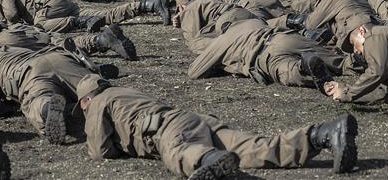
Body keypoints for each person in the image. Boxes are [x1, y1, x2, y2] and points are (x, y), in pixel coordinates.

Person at [75, 75, 359, 177]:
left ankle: (210, 160)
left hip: (170, 130)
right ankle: (322, 135)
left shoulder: (100, 101)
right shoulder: (124, 92)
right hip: (191, 120)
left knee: (177, 154)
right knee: (251, 148)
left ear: (87, 99)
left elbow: (100, 150)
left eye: (82, 107)